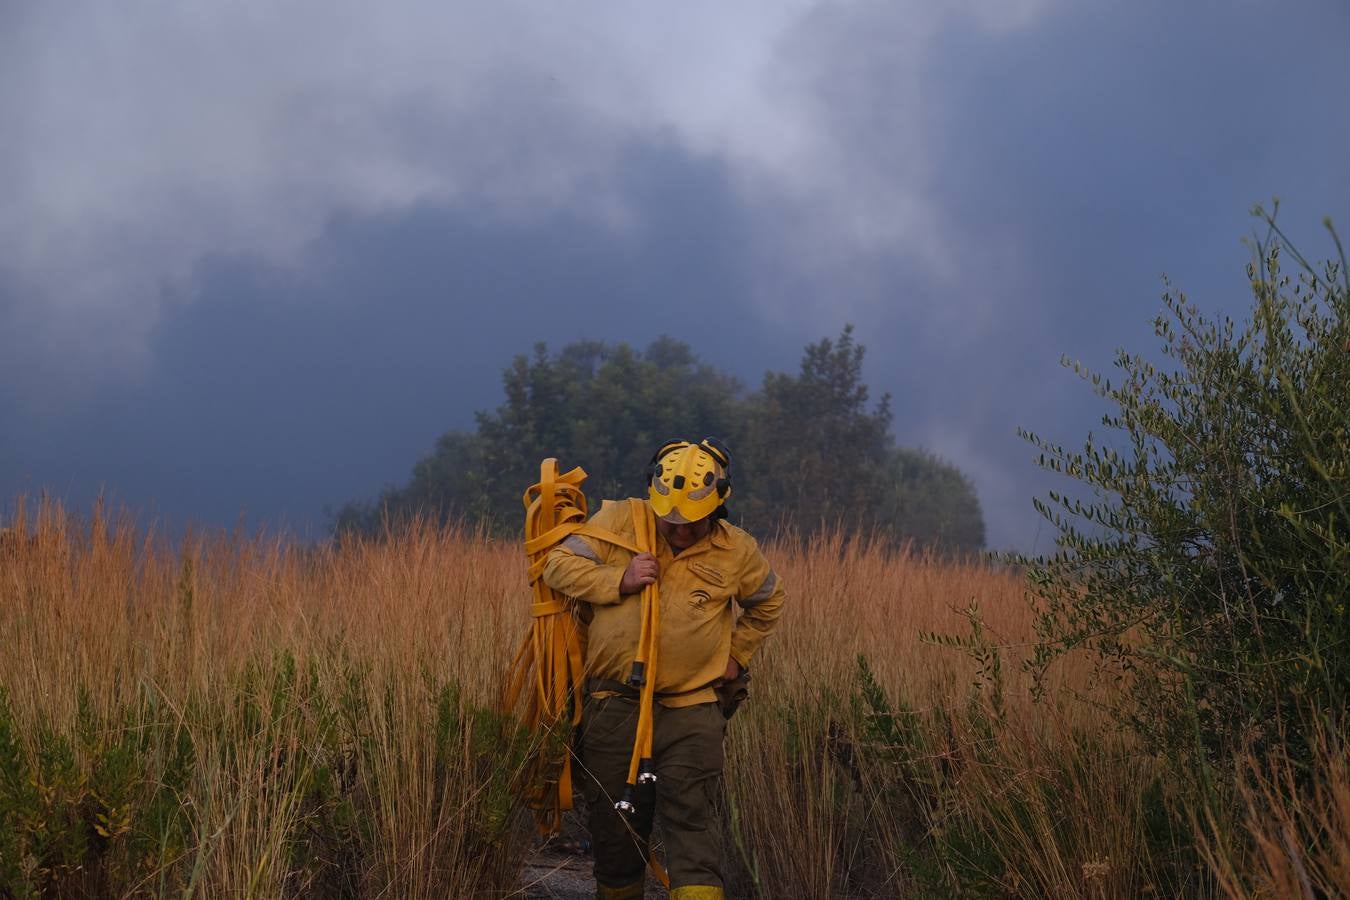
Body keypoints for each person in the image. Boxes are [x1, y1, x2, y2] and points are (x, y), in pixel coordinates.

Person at [541, 437, 786, 900]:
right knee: (615, 830)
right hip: (615, 705)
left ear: (718, 505)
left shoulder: (737, 550)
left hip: (691, 709)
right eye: (669, 521)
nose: (678, 530)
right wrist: (620, 578)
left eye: (691, 522)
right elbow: (556, 565)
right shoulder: (619, 521)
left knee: (692, 823)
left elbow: (769, 601)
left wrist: (738, 655)